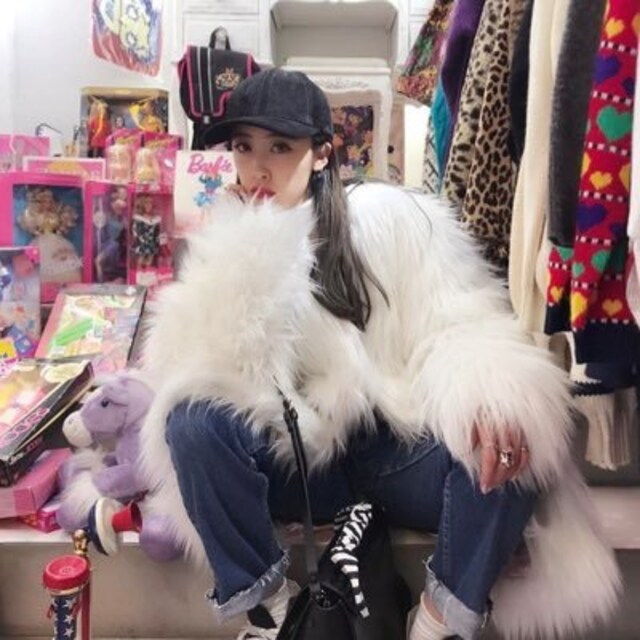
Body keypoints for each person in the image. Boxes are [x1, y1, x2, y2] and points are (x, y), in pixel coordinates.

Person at [138, 68, 621, 640]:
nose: (259, 167)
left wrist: (493, 397)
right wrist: (244, 256)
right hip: (302, 468)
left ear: (322, 153)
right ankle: (269, 613)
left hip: (397, 451)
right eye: (244, 147)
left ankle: (439, 622)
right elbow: (209, 382)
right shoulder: (226, 241)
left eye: (280, 147)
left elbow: (461, 322)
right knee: (191, 423)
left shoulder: (388, 219)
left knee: (516, 432)